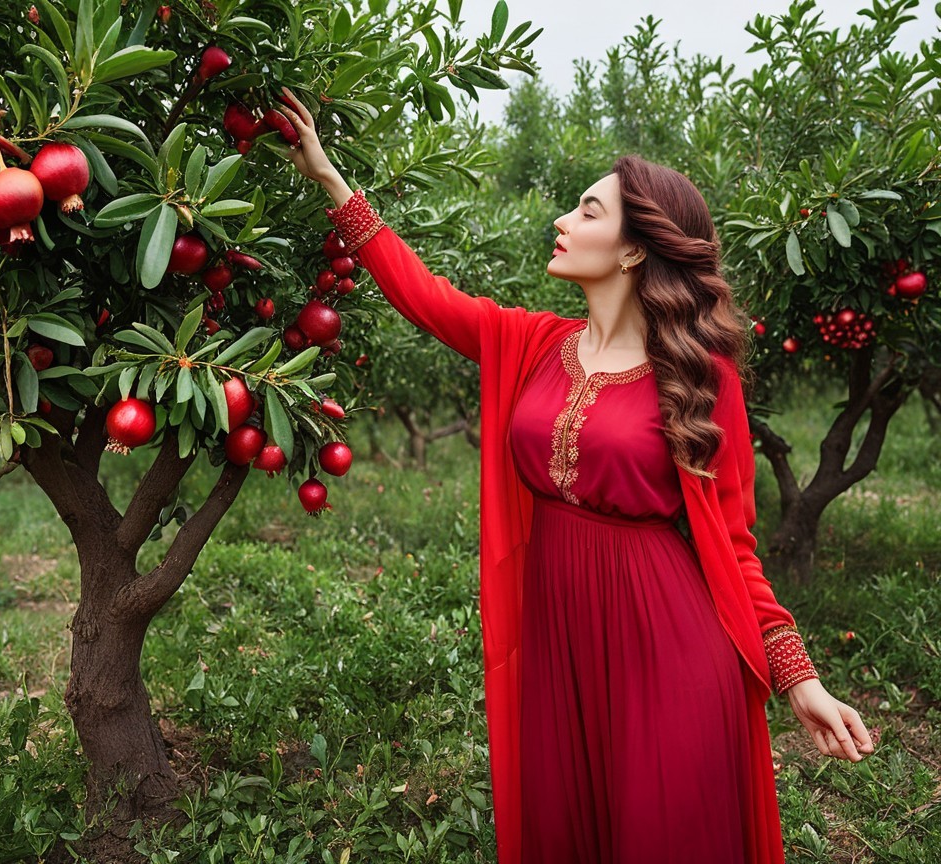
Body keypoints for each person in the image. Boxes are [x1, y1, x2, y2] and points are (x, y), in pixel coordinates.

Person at [276, 88, 874, 864]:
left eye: (588, 211)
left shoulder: (697, 375)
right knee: (570, 829)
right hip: (559, 635)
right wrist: (329, 179)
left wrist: (799, 678)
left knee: (658, 834)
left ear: (634, 248)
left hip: (667, 643)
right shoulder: (529, 342)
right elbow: (423, 296)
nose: (563, 220)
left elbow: (734, 539)